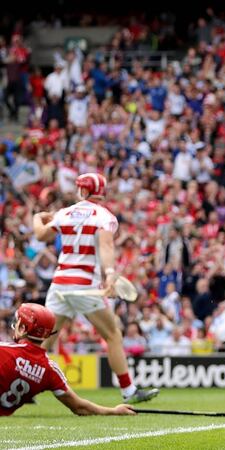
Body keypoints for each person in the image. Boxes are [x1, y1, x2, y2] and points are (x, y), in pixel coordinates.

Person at [31, 173, 159, 404]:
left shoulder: (64, 213)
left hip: (59, 285)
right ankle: (129, 391)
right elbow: (106, 246)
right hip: (84, 287)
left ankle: (24, 389)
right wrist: (109, 274)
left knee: (43, 344)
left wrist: (37, 217)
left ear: (82, 190)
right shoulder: (104, 216)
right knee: (112, 335)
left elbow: (40, 235)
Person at [1, 303, 136, 416]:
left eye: (18, 322)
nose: (15, 325)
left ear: (24, 328)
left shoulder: (4, 351)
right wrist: (114, 411)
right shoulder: (50, 370)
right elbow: (79, 407)